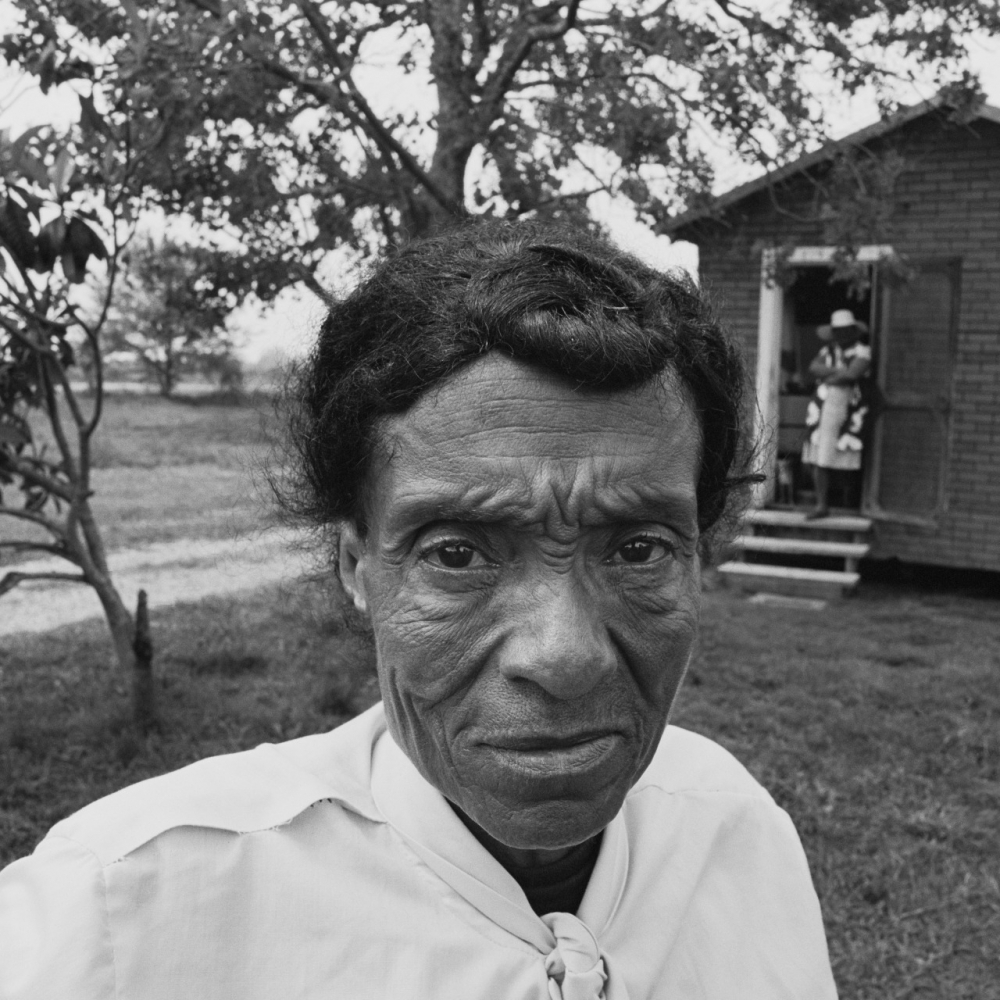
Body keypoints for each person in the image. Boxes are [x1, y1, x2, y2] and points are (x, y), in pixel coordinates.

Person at [0, 222, 838, 999]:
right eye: (457, 554)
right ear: (357, 567)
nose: (563, 655)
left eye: (639, 549)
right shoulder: (122, 911)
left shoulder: (739, 835)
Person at [802, 308, 872, 518]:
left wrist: (834, 374)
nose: (841, 335)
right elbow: (814, 368)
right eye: (837, 331)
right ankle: (821, 504)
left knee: (844, 450)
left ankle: (849, 502)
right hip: (822, 406)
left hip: (848, 407)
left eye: (845, 331)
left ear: (853, 331)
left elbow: (852, 374)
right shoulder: (829, 350)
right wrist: (837, 372)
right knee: (818, 453)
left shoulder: (862, 351)